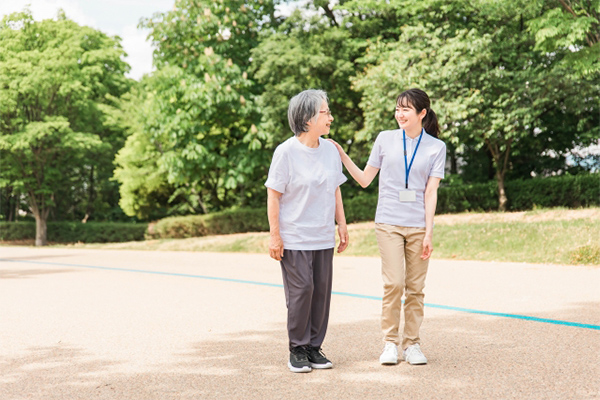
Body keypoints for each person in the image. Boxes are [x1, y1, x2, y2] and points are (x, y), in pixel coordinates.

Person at [329, 88, 446, 366]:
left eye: (406, 109)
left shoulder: (436, 147)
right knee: (394, 283)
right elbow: (365, 180)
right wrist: (343, 155)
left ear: (422, 113)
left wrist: (429, 231)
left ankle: (413, 345)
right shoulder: (385, 139)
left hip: (418, 226)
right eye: (397, 108)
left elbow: (431, 192)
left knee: (415, 288)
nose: (400, 114)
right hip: (388, 223)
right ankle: (390, 343)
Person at [265, 89, 349, 373]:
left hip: (323, 236)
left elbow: (335, 189)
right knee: (302, 290)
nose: (330, 117)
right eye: (325, 112)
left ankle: (314, 347)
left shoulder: (330, 150)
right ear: (307, 117)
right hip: (296, 237)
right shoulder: (286, 152)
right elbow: (273, 195)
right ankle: (297, 349)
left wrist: (343, 225)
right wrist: (275, 235)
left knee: (321, 293)